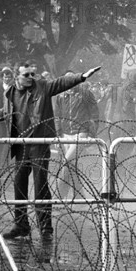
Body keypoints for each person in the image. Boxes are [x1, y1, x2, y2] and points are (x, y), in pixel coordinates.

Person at [0, 63, 101, 239]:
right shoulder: (12, 93)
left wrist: (82, 76)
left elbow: (61, 83)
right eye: (26, 74)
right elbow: (6, 112)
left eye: (32, 73)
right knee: (19, 183)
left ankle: (46, 227)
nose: (31, 77)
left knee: (40, 184)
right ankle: (21, 225)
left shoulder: (43, 87)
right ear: (18, 77)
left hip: (39, 143)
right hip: (21, 145)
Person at [55, 71, 100, 199]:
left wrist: (91, 133)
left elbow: (94, 114)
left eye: (72, 78)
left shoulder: (85, 94)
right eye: (66, 79)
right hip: (65, 134)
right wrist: (59, 134)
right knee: (71, 166)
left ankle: (58, 197)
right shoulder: (61, 95)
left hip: (80, 133)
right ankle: (80, 196)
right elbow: (57, 116)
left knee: (66, 162)